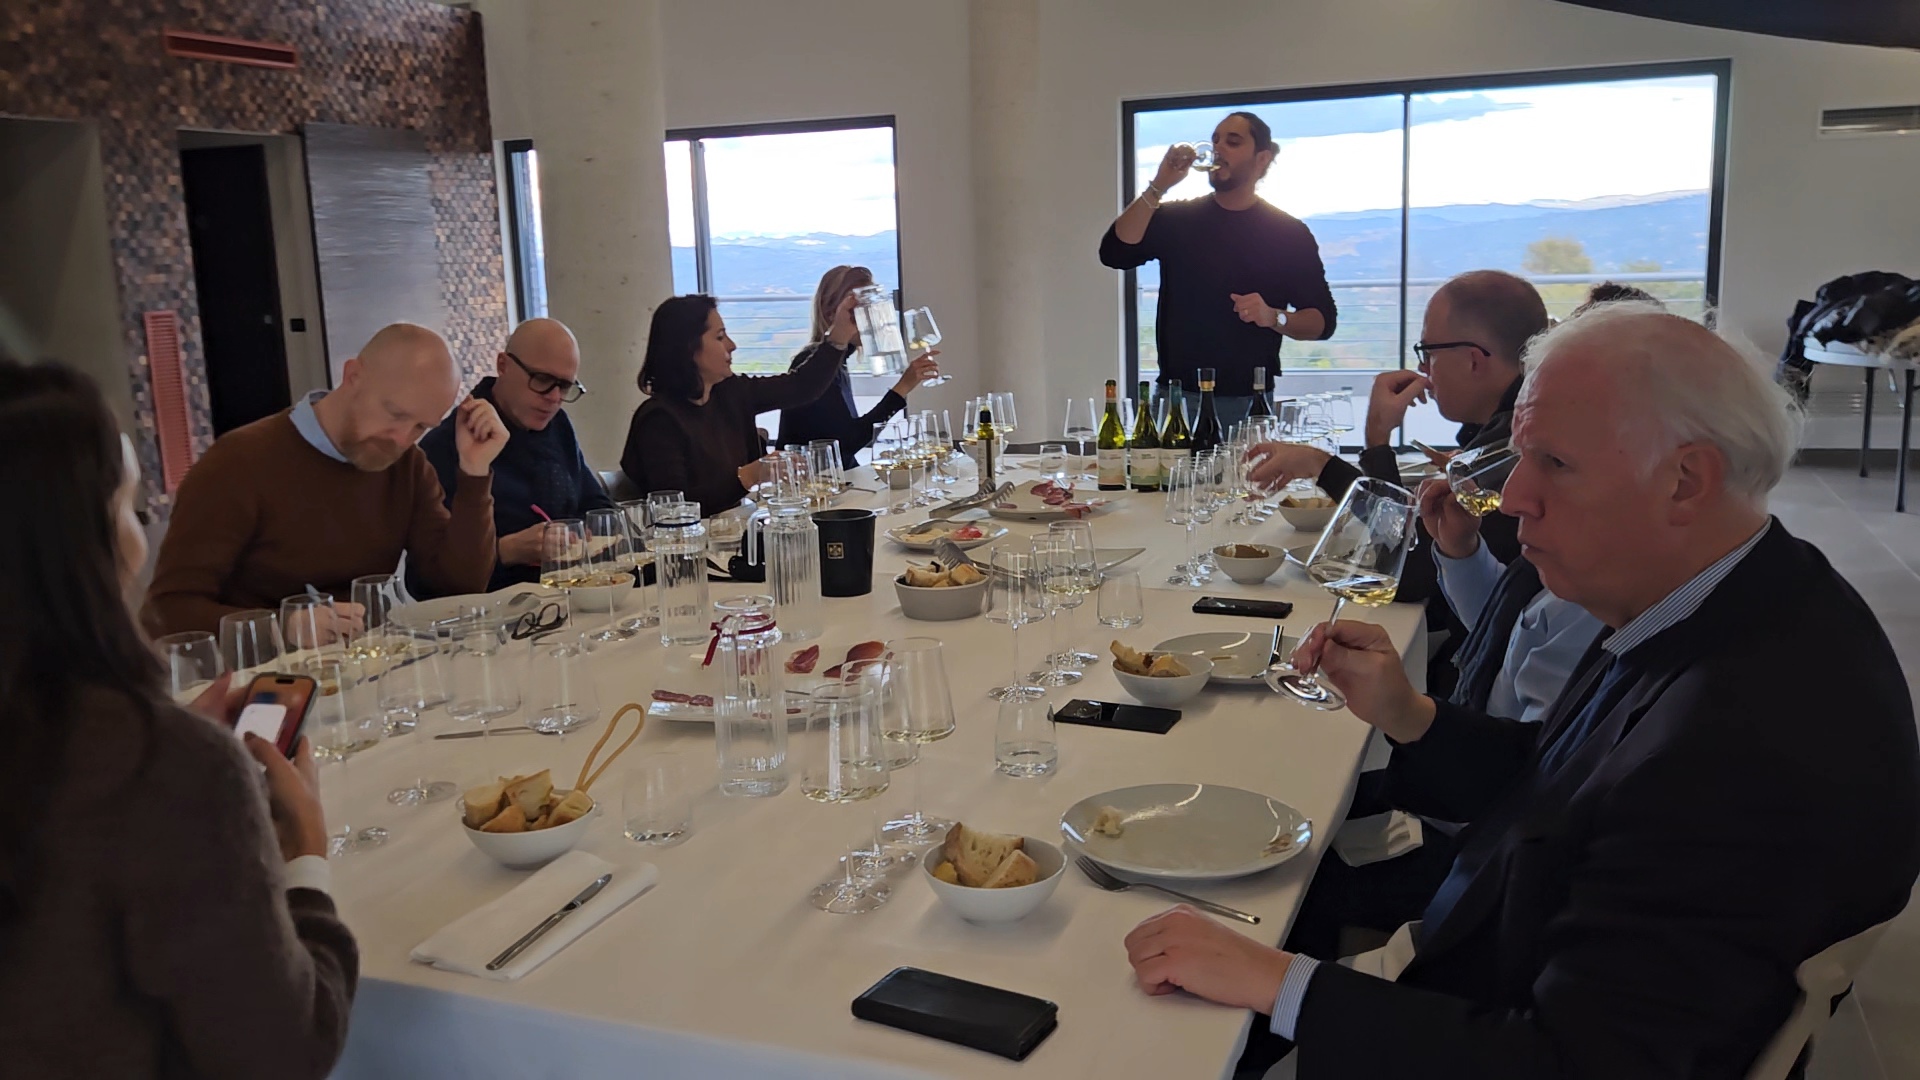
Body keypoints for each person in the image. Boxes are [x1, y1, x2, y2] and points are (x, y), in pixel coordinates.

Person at [1126, 306, 1920, 1077]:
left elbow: (1574, 1061)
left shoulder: (1742, 748)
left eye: (1555, 463)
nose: (1511, 498)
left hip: (1480, 1011)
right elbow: (1563, 780)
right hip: (1481, 962)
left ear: (1686, 481)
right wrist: (1412, 714)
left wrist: (1282, 983)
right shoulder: (1721, 598)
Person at [0, 359, 356, 1077]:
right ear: (88, 549)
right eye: (131, 510)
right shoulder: (151, 769)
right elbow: (283, 1050)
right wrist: (305, 857)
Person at [143, 323, 507, 636]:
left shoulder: (406, 466)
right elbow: (166, 611)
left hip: (364, 668)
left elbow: (458, 587)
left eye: (421, 427)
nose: (401, 438)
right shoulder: (238, 462)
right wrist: (283, 627)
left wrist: (474, 472)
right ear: (353, 376)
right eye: (394, 413)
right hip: (260, 680)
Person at [1248, 269, 1548, 607]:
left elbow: (1405, 571)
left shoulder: (1515, 446)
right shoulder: (1515, 421)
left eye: (1428, 353)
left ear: (1473, 360)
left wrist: (1375, 441)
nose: (1423, 369)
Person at [1099, 111, 1336, 424]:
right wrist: (1159, 185)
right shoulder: (1177, 219)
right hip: (1176, 398)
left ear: (1261, 159)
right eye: (1215, 140)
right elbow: (1115, 253)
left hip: (1249, 400)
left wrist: (1273, 316)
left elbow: (1322, 322)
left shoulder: (1288, 233)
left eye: (1233, 142)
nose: (1218, 148)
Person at [414, 318, 611, 596]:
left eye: (565, 386)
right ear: (503, 365)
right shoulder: (447, 445)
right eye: (542, 380)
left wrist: (584, 533)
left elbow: (597, 505)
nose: (554, 397)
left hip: (571, 593)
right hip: (496, 607)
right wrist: (508, 550)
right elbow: (426, 580)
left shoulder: (556, 425)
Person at [621, 294, 851, 517]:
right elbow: (675, 508)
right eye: (720, 337)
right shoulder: (659, 419)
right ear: (689, 348)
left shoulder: (729, 391)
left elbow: (800, 386)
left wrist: (839, 336)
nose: (732, 345)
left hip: (737, 528)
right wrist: (749, 476)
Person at [775, 265, 942, 470]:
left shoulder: (837, 363)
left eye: (873, 308)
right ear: (831, 314)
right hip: (814, 484)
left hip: (838, 477)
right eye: (862, 310)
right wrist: (903, 388)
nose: (873, 319)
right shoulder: (812, 366)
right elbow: (847, 443)